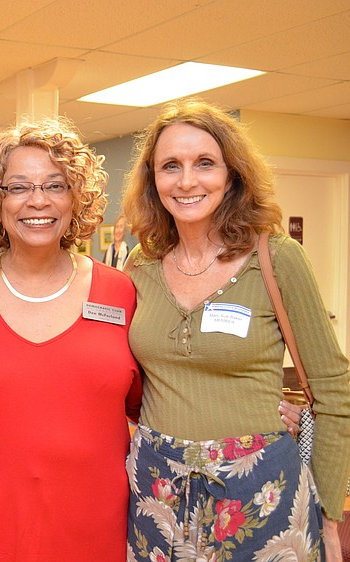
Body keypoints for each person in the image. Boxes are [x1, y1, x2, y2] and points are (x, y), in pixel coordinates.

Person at [122, 98, 350, 561]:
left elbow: (333, 387)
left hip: (260, 489)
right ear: (153, 181)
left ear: (232, 175)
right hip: (157, 490)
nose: (187, 181)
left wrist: (330, 514)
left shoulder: (276, 257)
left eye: (205, 163)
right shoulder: (138, 265)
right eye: (171, 166)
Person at [0, 116, 141, 560]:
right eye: (18, 187)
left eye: (55, 185)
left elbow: (157, 403)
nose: (38, 201)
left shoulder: (121, 293)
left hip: (98, 533)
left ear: (76, 198)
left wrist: (251, 409)